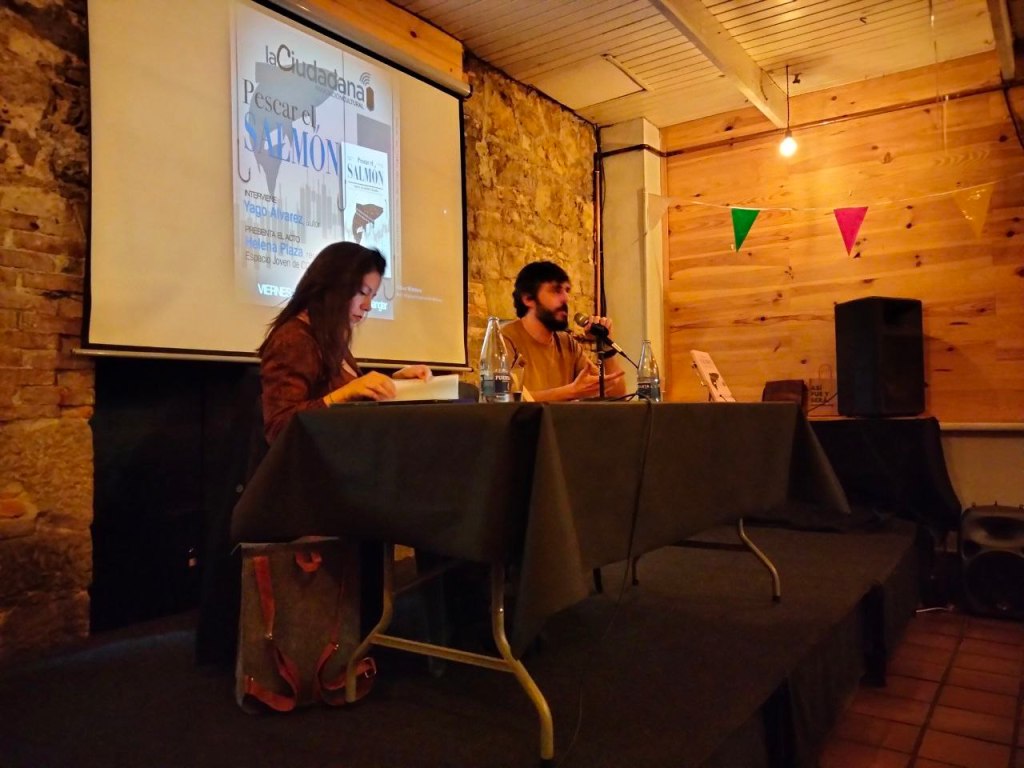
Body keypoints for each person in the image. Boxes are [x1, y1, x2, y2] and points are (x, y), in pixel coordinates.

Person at [259, 241, 432, 443]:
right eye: (362, 292)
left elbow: (347, 397)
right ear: (334, 285)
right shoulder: (293, 340)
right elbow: (279, 428)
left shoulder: (328, 338)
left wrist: (396, 383)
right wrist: (345, 394)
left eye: (372, 296)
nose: (368, 306)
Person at [500, 261, 626, 401]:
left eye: (567, 291)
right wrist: (571, 392)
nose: (566, 298)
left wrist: (606, 346)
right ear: (528, 299)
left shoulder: (567, 343)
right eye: (556, 291)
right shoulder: (505, 340)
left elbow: (617, 397)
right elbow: (504, 398)